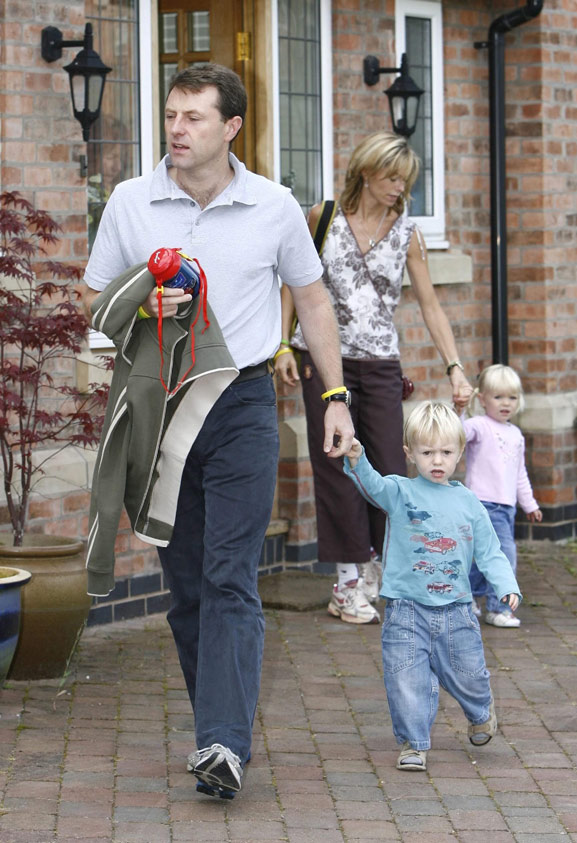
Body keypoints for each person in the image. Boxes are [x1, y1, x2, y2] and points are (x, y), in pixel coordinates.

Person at [81, 64, 354, 799]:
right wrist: (139, 302)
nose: (177, 128)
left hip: (242, 405)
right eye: (172, 114)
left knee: (230, 574)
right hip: (161, 411)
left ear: (231, 126)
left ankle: (224, 743)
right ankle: (218, 733)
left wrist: (335, 396)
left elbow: (312, 299)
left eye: (194, 116)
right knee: (187, 588)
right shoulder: (131, 202)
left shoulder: (273, 205)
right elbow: (93, 298)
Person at [275, 131, 473, 625]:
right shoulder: (322, 218)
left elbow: (430, 304)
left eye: (405, 181)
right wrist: (281, 344)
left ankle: (378, 569)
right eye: (391, 177)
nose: (399, 188)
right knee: (337, 463)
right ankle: (346, 583)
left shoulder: (408, 234)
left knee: (387, 466)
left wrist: (454, 366)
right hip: (324, 361)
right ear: (366, 172)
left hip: (382, 362)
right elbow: (293, 285)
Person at [343, 401, 522, 772]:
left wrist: (506, 585)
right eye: (427, 453)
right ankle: (414, 743)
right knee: (405, 676)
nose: (437, 460)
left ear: (460, 452)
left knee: (469, 675)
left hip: (457, 609)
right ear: (410, 453)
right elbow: (371, 485)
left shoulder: (469, 502)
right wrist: (358, 458)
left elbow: (490, 551)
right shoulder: (400, 492)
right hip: (405, 609)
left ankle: (480, 711)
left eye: (445, 452)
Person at [458, 364, 542, 628]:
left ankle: (467, 597)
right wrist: (459, 410)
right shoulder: (479, 425)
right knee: (504, 556)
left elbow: (519, 473)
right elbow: (458, 435)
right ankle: (499, 608)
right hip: (482, 504)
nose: (506, 403)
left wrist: (529, 504)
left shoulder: (516, 434)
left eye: (512, 397)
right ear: (482, 399)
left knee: (485, 558)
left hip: (507, 509)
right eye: (498, 397)